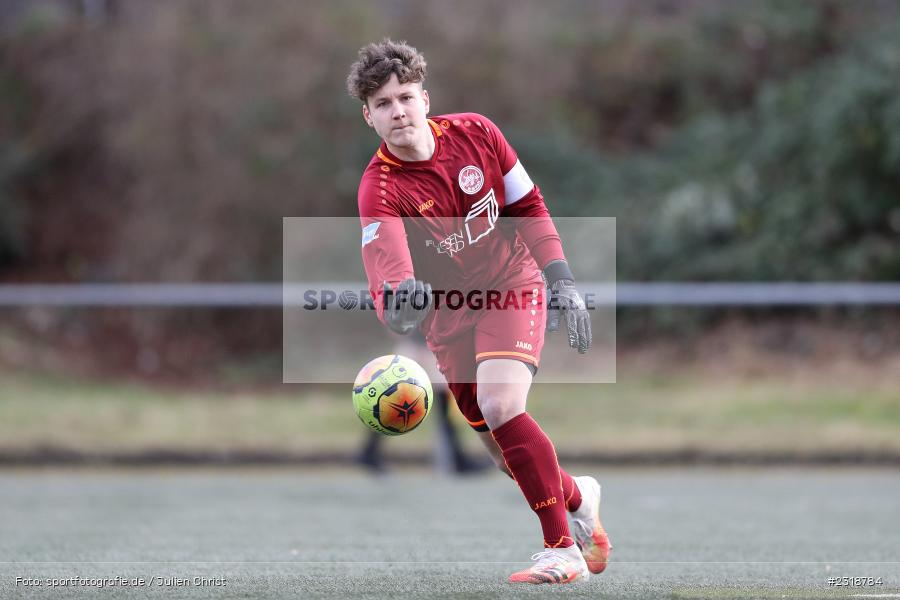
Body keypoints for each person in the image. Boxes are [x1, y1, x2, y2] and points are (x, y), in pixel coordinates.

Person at [347, 39, 610, 584]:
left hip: (511, 284)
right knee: (501, 453)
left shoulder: (478, 133)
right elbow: (389, 278)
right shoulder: (380, 189)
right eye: (383, 104)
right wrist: (402, 303)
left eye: (405, 97)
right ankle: (581, 496)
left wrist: (561, 281)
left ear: (425, 97)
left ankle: (561, 550)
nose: (397, 111)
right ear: (368, 117)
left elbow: (528, 206)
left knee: (499, 403)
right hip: (448, 319)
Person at [356, 332, 493, 475]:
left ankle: (458, 458)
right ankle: (369, 452)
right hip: (418, 347)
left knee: (442, 404)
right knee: (395, 402)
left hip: (429, 346)